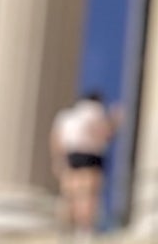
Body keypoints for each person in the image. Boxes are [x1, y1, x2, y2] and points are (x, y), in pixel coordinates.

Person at [49, 88, 122, 233]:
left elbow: (56, 139)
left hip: (72, 155)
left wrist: (58, 160)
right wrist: (115, 122)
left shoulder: (66, 116)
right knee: (89, 194)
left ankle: (72, 226)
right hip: (91, 156)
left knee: (72, 193)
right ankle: (85, 226)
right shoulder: (95, 111)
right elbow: (103, 133)